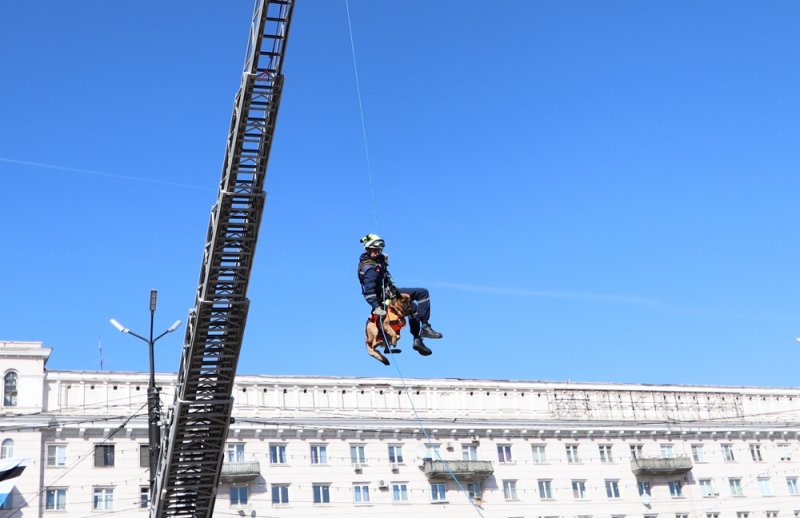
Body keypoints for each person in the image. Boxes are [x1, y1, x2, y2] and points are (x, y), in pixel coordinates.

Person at [357, 233, 443, 356]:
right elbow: (368, 292)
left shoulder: (377, 260)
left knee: (422, 293)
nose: (377, 252)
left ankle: (425, 327)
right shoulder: (369, 269)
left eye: (378, 250)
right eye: (373, 250)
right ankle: (418, 338)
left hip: (392, 291)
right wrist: (376, 307)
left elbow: (383, 267)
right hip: (385, 297)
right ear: (367, 249)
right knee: (412, 308)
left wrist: (383, 262)